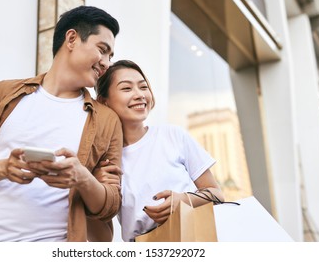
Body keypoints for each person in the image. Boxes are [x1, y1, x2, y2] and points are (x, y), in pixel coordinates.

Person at [0, 6, 123, 242]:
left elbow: (110, 203)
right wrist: (3, 168)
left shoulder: (107, 120)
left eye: (110, 56)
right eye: (103, 50)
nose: (107, 63)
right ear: (71, 39)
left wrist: (81, 177)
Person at [94, 60, 224, 242]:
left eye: (143, 87)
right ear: (103, 102)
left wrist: (183, 200)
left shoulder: (173, 135)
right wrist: (98, 189)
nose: (139, 95)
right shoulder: (106, 163)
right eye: (126, 89)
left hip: (192, 238)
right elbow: (98, 231)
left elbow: (217, 194)